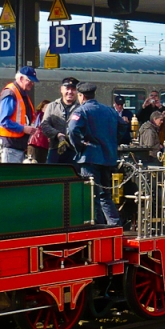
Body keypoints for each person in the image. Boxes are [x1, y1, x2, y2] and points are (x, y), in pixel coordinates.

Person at [67, 82, 122, 226]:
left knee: (92, 195)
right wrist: (111, 143)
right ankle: (115, 225)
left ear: (81, 96)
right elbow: (123, 126)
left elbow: (72, 130)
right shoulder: (110, 110)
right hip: (108, 158)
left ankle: (97, 227)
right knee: (105, 195)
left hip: (90, 158)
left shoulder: (81, 111)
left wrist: (79, 146)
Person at [0, 67, 39, 163]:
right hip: (10, 144)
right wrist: (23, 129)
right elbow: (4, 121)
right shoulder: (11, 93)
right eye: (30, 80)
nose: (32, 83)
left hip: (15, 144)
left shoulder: (20, 93)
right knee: (11, 172)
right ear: (21, 78)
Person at [40, 76, 80, 165]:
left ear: (77, 91)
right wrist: (57, 134)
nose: (70, 92)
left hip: (75, 151)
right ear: (61, 89)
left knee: (74, 173)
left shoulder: (81, 108)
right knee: (52, 173)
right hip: (55, 149)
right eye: (67, 88)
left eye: (73, 89)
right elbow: (44, 125)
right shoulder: (52, 106)